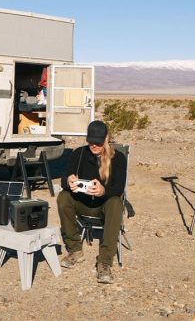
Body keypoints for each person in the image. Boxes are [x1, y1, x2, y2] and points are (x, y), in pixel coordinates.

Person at [57, 120, 127, 284]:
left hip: (104, 207)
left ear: (106, 139)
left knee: (116, 202)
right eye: (91, 141)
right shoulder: (78, 154)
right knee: (63, 197)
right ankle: (75, 249)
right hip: (82, 204)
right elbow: (64, 179)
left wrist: (103, 191)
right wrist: (69, 181)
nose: (94, 145)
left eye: (98, 141)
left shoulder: (119, 158)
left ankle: (104, 262)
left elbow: (118, 189)